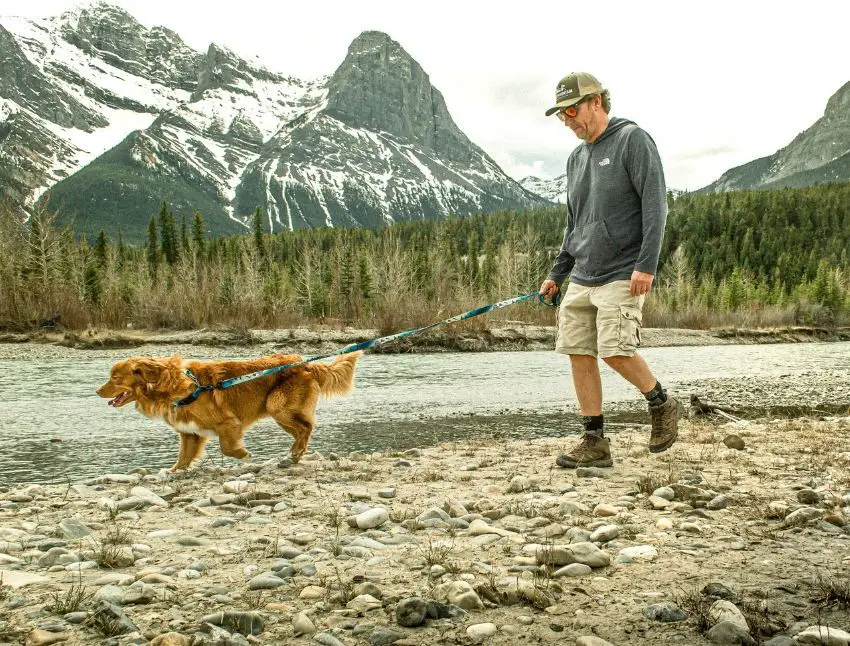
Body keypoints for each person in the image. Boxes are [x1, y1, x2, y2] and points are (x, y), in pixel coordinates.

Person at [538, 72, 678, 468]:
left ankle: (662, 403)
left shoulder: (633, 140)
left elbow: (655, 206)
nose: (567, 120)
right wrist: (557, 273)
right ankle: (595, 442)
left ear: (596, 101)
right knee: (579, 352)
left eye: (572, 110)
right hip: (583, 272)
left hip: (623, 270)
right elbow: (574, 222)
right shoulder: (576, 158)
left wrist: (646, 265)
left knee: (616, 350)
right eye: (561, 115)